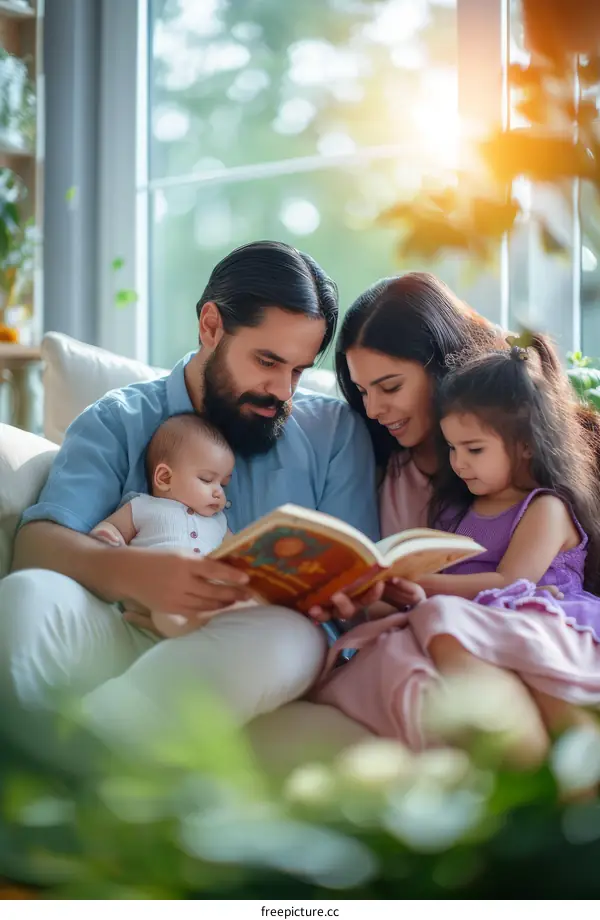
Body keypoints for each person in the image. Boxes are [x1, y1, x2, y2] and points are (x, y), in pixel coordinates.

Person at [0, 240, 379, 772]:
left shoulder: (334, 433)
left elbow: (354, 582)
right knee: (24, 595)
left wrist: (345, 599)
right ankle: (103, 757)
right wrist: (134, 572)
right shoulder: (121, 419)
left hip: (251, 651)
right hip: (129, 632)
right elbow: (36, 546)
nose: (281, 391)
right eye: (267, 361)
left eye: (298, 370)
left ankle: (90, 764)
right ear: (210, 326)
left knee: (294, 636)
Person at [314, 273, 600, 767]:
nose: (373, 409)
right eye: (361, 390)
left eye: (389, 386)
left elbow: (511, 578)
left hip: (521, 621)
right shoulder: (394, 474)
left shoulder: (538, 486)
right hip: (442, 624)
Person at [90, 413, 242, 638]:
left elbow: (238, 552)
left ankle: (205, 630)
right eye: (207, 480)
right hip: (157, 591)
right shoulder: (143, 506)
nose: (219, 491)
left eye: (223, 483)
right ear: (164, 478)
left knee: (248, 606)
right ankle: (191, 635)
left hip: (207, 595)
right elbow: (112, 529)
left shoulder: (219, 522)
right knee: (168, 607)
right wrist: (107, 535)